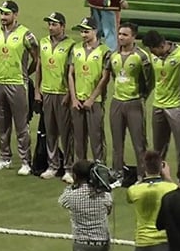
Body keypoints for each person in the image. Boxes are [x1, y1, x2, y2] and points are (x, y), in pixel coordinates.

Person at [0, 0, 38, 175]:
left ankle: (25, 161)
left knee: (21, 124)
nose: (3, 17)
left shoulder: (26, 35)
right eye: (1, 13)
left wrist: (26, 73)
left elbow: (36, 59)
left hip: (17, 84)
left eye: (6, 14)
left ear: (15, 15)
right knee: (2, 123)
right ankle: (4, 158)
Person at [97, 22, 153, 176]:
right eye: (120, 34)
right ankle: (117, 173)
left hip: (134, 102)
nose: (121, 37)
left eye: (125, 35)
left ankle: (143, 175)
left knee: (139, 142)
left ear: (133, 37)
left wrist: (142, 96)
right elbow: (111, 76)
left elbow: (150, 80)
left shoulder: (141, 56)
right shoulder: (112, 55)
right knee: (117, 142)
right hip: (116, 102)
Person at [142, 30, 180, 164]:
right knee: (158, 147)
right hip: (158, 105)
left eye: (153, 49)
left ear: (162, 45)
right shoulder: (153, 56)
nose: (151, 53)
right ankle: (158, 177)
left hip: (177, 107)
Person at [58, 159, 113, 251]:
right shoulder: (104, 194)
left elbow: (62, 201)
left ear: (75, 176)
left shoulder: (71, 195)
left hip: (81, 244)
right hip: (102, 243)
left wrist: (73, 186)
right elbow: (108, 209)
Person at [127, 150, 177, 251]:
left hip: (143, 246)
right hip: (165, 244)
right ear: (161, 166)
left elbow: (130, 198)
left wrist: (142, 180)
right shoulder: (170, 188)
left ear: (144, 166)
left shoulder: (134, 190)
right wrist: (168, 177)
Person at [35, 12, 76, 182]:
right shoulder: (43, 42)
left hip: (62, 94)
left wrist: (68, 93)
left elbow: (72, 73)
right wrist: (37, 90)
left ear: (62, 26)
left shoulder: (71, 45)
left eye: (54, 24)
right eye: (49, 24)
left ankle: (69, 168)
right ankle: (53, 166)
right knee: (50, 131)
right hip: (47, 92)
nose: (51, 28)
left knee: (66, 133)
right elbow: (39, 67)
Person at [67, 17, 111, 162]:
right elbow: (70, 74)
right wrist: (73, 98)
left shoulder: (105, 51)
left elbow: (105, 78)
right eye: (81, 32)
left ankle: (100, 170)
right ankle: (81, 171)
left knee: (96, 138)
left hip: (95, 101)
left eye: (86, 31)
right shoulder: (76, 48)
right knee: (79, 138)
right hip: (77, 100)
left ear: (95, 31)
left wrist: (92, 98)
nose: (83, 35)